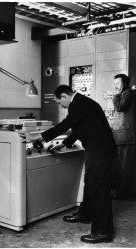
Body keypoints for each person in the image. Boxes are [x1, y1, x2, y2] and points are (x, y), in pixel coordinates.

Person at [21, 85, 117, 244]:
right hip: (97, 149)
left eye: (59, 102)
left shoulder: (78, 104)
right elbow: (78, 127)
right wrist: (65, 143)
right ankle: (86, 214)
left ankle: (103, 232)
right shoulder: (82, 102)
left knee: (99, 190)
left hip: (101, 150)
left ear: (65, 96)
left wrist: (40, 136)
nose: (61, 106)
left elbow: (65, 125)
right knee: (90, 183)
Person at [111, 74, 136, 200]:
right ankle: (127, 191)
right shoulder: (127, 93)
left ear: (125, 83)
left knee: (124, 166)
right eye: (114, 83)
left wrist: (115, 95)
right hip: (124, 135)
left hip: (126, 135)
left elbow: (120, 107)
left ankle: (122, 193)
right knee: (125, 165)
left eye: (117, 83)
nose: (115, 86)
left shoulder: (127, 93)